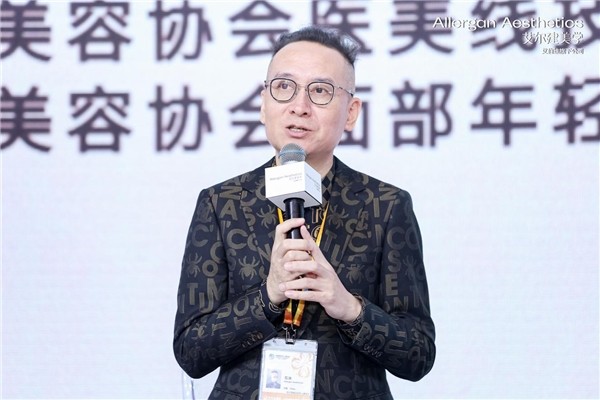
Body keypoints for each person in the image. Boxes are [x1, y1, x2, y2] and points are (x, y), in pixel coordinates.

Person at [173, 25, 435, 399]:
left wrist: (350, 308)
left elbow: (418, 354)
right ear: (263, 103)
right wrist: (268, 295)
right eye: (284, 87)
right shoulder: (221, 203)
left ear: (351, 112)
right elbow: (190, 351)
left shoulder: (386, 205)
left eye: (320, 91)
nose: (299, 106)